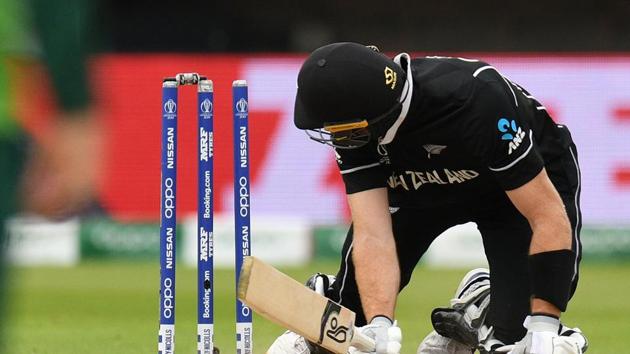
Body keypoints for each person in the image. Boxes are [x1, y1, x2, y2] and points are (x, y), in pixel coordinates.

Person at [269, 42, 587, 354]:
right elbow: (373, 233)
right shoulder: (357, 130)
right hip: (415, 188)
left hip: (510, 191)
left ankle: (488, 306)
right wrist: (380, 324)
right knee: (347, 317)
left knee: (517, 340)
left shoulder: (476, 100)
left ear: (375, 116)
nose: (335, 135)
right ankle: (348, 303)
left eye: (341, 129)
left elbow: (546, 214)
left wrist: (543, 328)